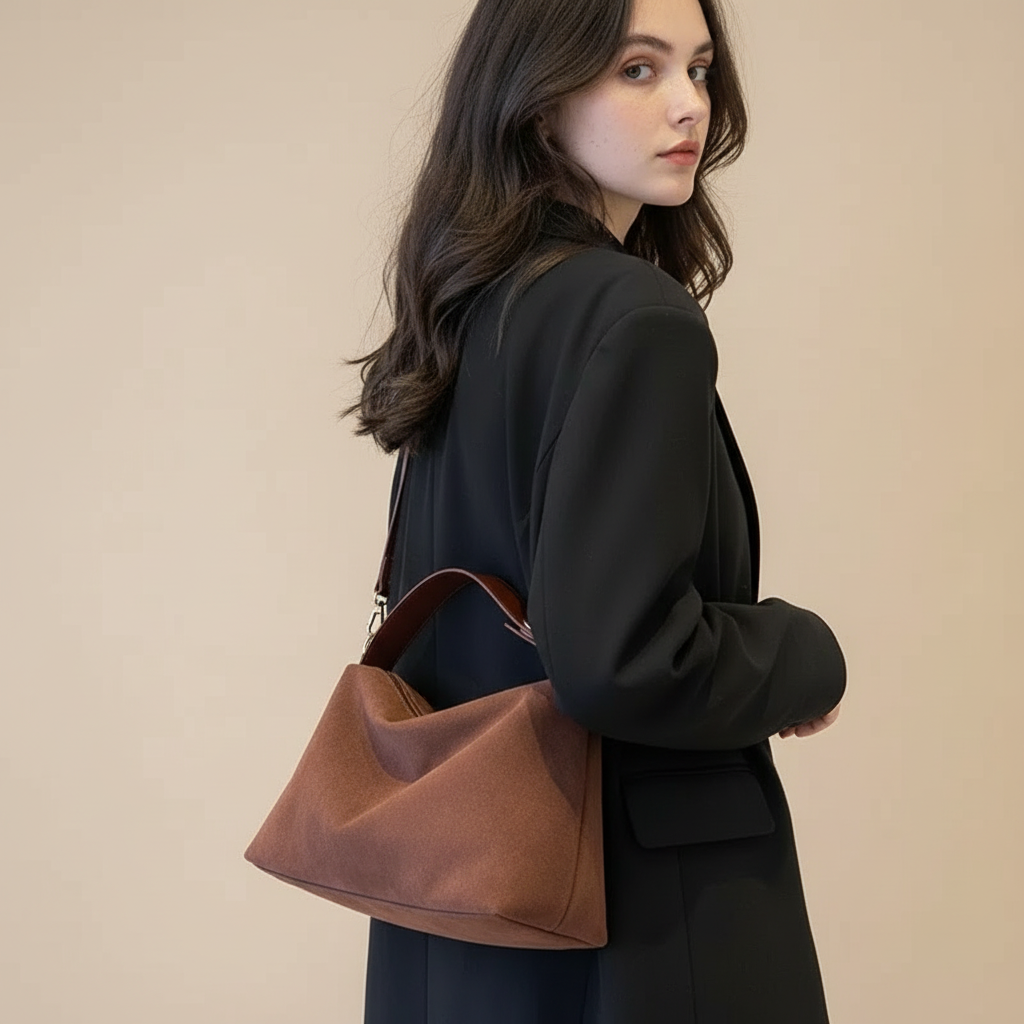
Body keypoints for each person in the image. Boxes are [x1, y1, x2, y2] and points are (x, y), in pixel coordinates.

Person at [343, 0, 846, 1020]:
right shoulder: (634, 316)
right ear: (537, 100)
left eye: (700, 71)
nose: (687, 106)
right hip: (637, 928)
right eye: (637, 69)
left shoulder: (470, 309)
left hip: (460, 914)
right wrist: (803, 654)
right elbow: (622, 660)